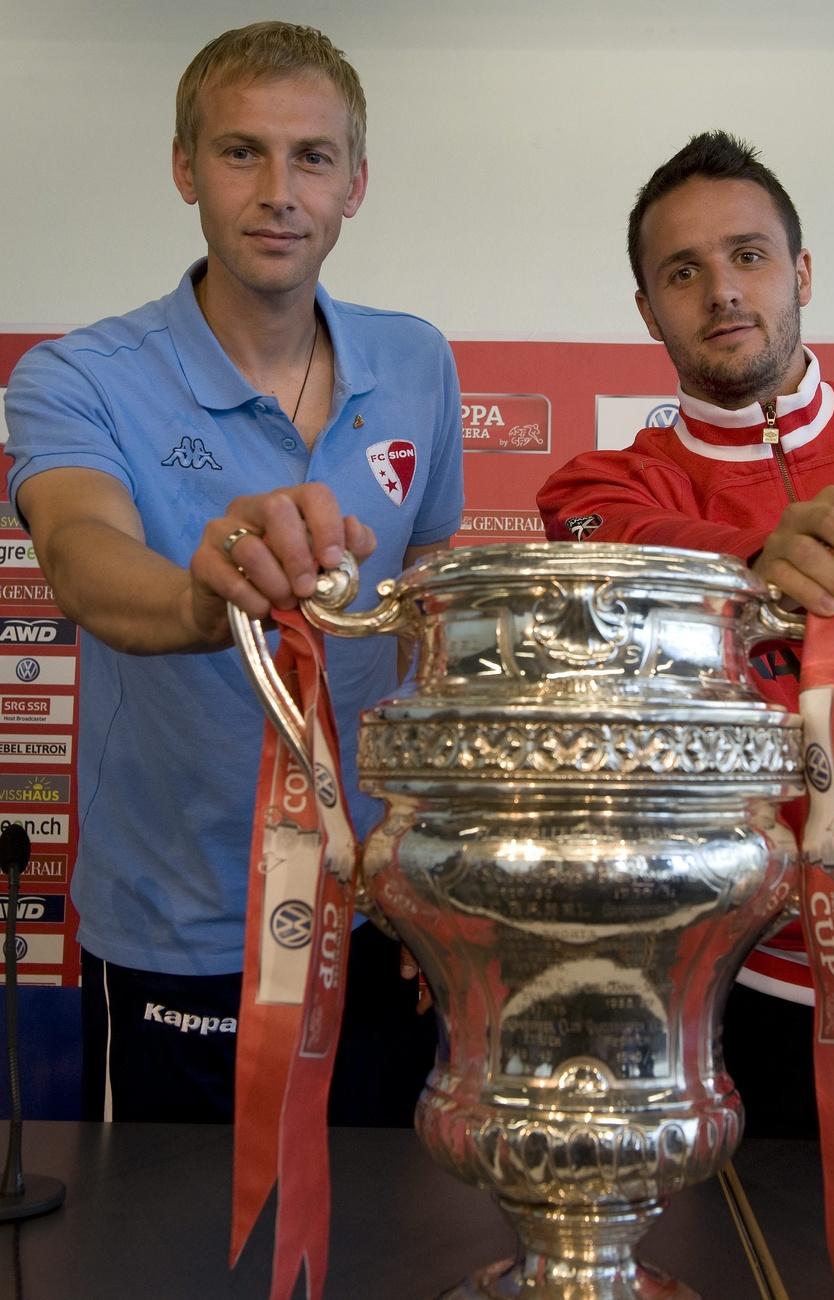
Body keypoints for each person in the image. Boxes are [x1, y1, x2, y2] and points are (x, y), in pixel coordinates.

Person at [3, 22, 462, 1124]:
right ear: (183, 168)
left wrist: (434, 864)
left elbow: (431, 607)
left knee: (380, 1251)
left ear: (356, 183)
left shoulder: (417, 361)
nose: (277, 191)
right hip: (177, 925)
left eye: (312, 158)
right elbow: (80, 556)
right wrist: (205, 598)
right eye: (239, 152)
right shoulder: (76, 375)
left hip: (376, 914)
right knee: (167, 1259)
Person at [537, 130, 834, 1138]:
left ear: (801, 270)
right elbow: (634, 551)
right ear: (648, 310)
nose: (723, 291)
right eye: (682, 272)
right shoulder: (607, 486)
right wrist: (758, 554)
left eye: (748, 255)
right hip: (761, 993)